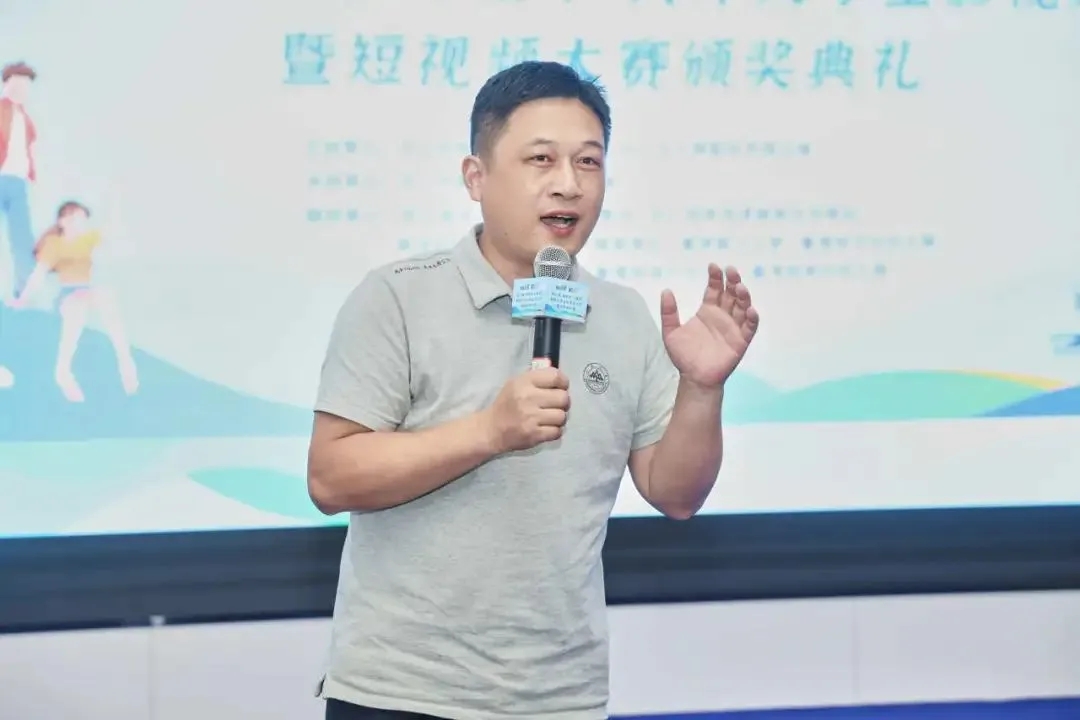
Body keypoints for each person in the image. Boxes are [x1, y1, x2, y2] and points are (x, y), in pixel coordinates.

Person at [307, 61, 760, 720]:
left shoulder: (625, 316)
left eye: (588, 162)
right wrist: (488, 432)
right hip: (402, 691)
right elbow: (330, 477)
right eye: (541, 159)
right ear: (476, 177)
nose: (568, 184)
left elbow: (677, 493)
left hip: (559, 696)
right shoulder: (396, 297)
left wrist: (701, 388)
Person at [10, 201, 139, 401]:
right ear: (64, 221)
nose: (82, 224)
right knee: (75, 318)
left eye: (84, 220)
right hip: (68, 293)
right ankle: (63, 372)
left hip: (87, 289)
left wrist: (116, 206)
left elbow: (111, 229)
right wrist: (23, 298)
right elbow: (39, 274)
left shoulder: (87, 239)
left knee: (108, 302)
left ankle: (126, 363)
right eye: (78, 219)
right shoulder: (54, 244)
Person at [0, 61, 39, 389]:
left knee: (21, 238)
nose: (21, 88)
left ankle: (22, 290)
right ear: (6, 82)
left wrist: (28, 172)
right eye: (16, 82)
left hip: (17, 181)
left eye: (26, 84)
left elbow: (26, 147)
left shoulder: (24, 117)